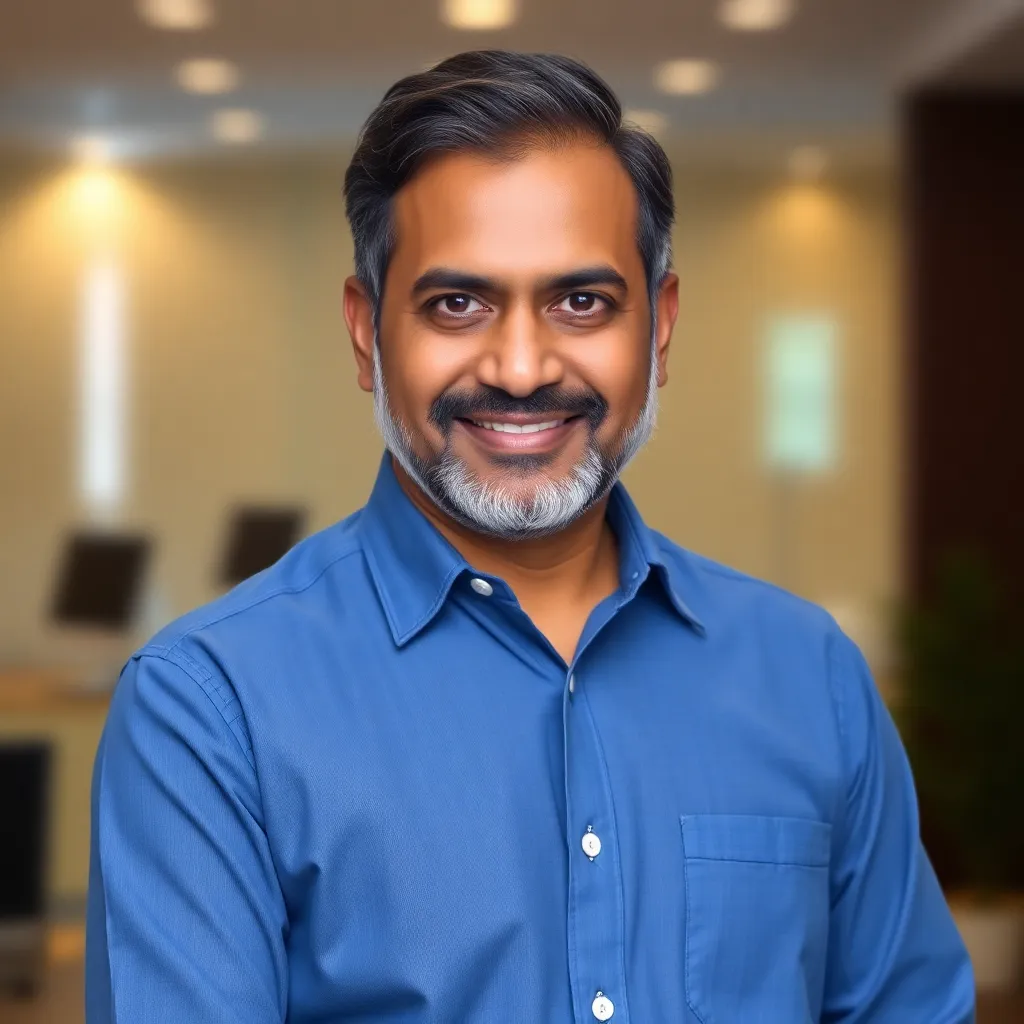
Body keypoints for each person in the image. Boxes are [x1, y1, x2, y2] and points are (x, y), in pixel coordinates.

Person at [86, 50, 975, 1023]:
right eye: (457, 303)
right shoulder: (208, 709)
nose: (520, 369)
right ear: (365, 331)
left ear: (659, 328)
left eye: (581, 301)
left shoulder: (809, 676)